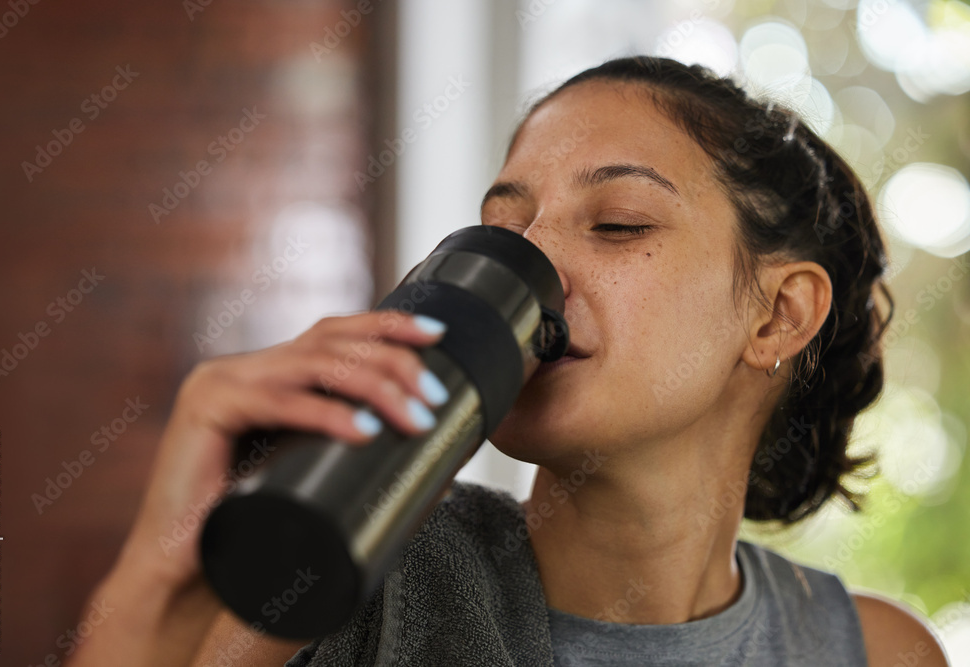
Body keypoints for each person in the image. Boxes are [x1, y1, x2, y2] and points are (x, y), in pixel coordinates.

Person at [70, 57, 951, 666]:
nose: (537, 270)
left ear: (777, 314)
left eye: (619, 224)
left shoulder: (869, 650)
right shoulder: (337, 574)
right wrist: (163, 581)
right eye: (504, 229)